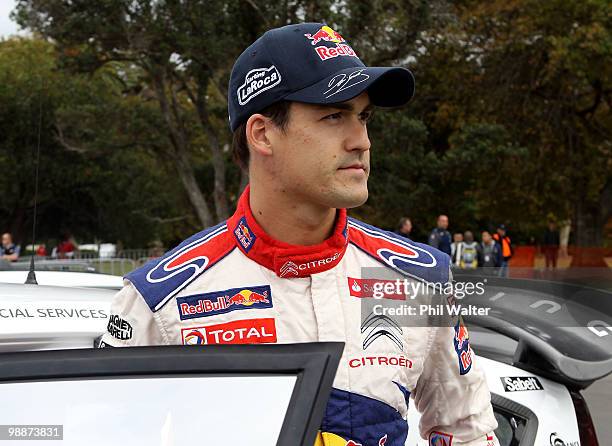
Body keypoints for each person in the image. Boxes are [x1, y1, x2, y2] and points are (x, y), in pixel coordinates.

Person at [100, 23, 498, 446]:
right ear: (262, 133)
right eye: (333, 115)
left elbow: (467, 431)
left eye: (363, 117)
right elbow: (103, 436)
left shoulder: (416, 279)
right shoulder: (159, 300)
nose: (361, 140)